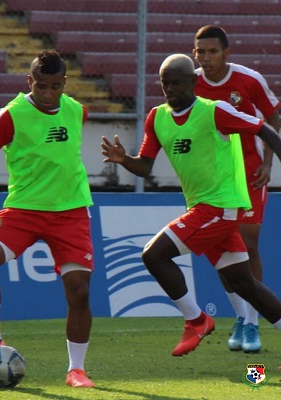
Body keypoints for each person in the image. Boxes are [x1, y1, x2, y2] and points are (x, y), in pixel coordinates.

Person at [101, 53, 281, 357]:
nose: (170, 88)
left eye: (176, 83)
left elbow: (263, 128)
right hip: (201, 207)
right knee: (244, 283)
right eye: (164, 83)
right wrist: (124, 160)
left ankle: (196, 320)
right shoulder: (157, 117)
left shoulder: (216, 112)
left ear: (193, 82)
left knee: (154, 255)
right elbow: (145, 167)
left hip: (219, 207)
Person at [0, 50, 95, 388]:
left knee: (80, 292)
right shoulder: (11, 115)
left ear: (65, 84)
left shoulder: (76, 111)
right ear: (30, 81)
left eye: (55, 86)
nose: (47, 93)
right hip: (24, 209)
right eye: (41, 86)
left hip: (71, 212)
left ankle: (76, 370)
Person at [193, 25, 281, 353]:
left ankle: (254, 324)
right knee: (222, 248)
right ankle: (241, 317)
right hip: (211, 179)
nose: (206, 57)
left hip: (248, 171)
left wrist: (268, 163)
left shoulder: (248, 80)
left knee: (248, 243)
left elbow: (273, 120)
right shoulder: (192, 83)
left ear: (226, 53)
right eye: (200, 52)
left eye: (212, 51)